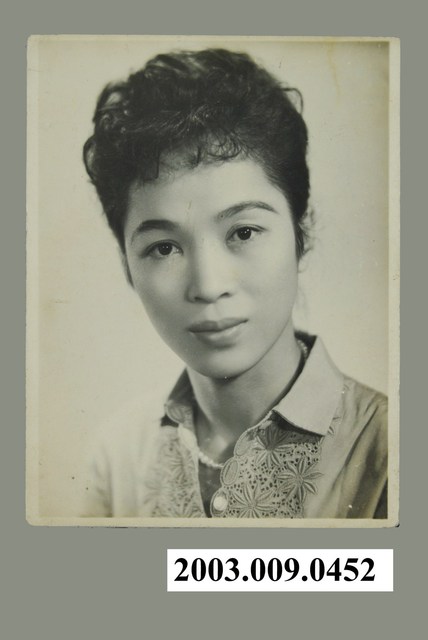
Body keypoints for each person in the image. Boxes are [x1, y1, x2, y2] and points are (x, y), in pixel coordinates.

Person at [81, 48, 387, 519]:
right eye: (164, 248)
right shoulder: (118, 455)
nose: (208, 286)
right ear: (127, 265)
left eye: (243, 233)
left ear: (300, 233)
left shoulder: (393, 451)